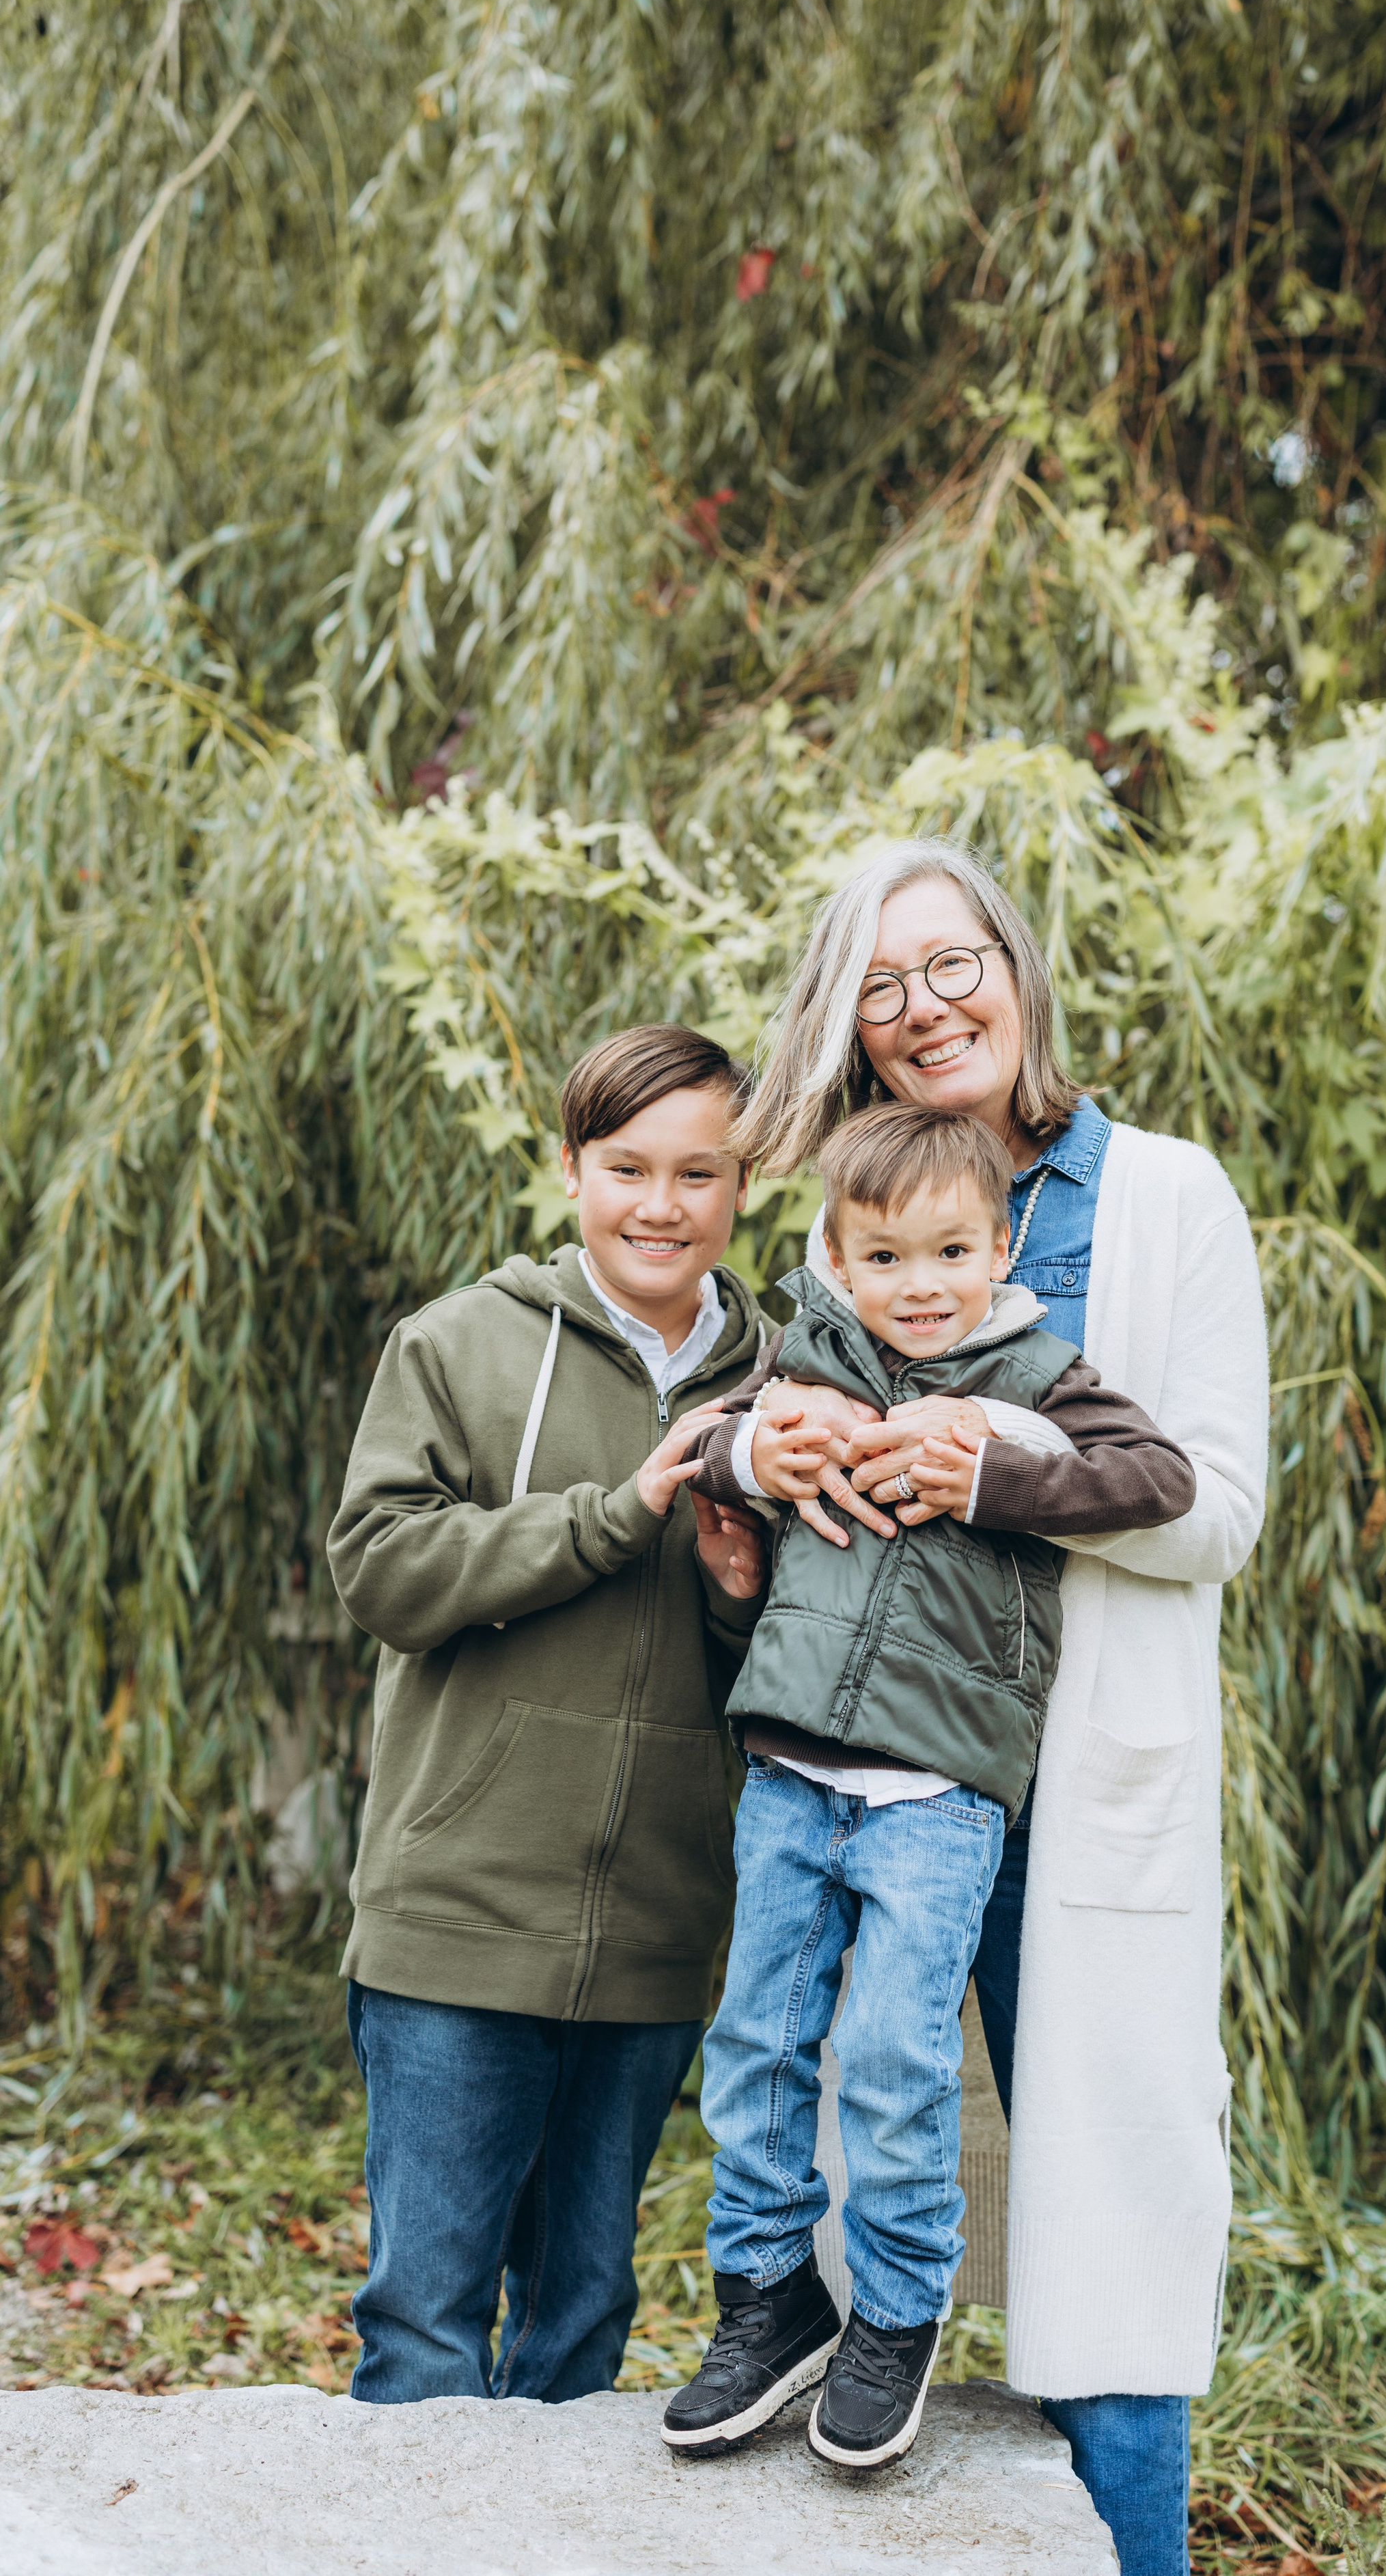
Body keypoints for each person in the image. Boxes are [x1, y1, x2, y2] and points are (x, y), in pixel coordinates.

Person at [717, 848, 1270, 2575]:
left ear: (1016, 974)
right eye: (878, 988)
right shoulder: (856, 1200)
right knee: (868, 2153)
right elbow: (767, 1397)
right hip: (877, 1781)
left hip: (1078, 1799)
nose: (922, 1008)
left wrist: (990, 1464)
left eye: (949, 965)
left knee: (1103, 2243)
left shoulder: (1168, 1198)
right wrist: (758, 1453)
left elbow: (1217, 1509)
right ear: (851, 1036)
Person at [658, 1103, 1195, 2470]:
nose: (920, 1287)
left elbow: (1157, 1478)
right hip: (787, 1764)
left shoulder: (1035, 1369)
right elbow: (702, 1448)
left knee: (896, 2058)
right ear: (837, 1256)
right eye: (885, 1258)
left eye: (950, 1252)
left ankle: (896, 2311)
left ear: (1000, 1241)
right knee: (757, 2044)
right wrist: (760, 1447)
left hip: (938, 1787)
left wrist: (992, 1461)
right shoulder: (809, 1354)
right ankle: (768, 2297)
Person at [326, 1024, 769, 2403]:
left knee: (581, 2321)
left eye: (698, 1173)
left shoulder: (790, 1380)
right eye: (627, 1167)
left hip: (651, 1927)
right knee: (425, 2326)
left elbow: (801, 1665)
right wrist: (610, 1516)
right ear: (569, 1167)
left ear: (741, 1184)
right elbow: (384, 1570)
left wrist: (739, 1591)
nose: (661, 1205)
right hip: (457, 1918)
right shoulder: (454, 1344)